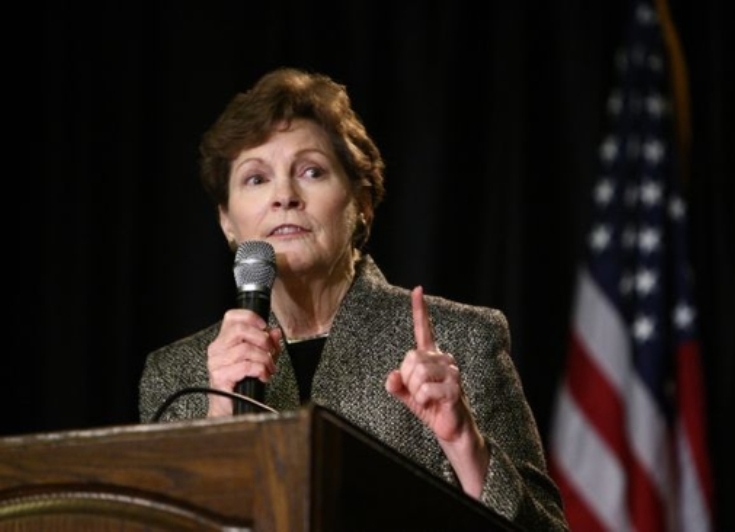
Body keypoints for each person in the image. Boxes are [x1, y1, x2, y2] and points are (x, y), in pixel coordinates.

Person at [138, 66, 568, 530]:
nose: (284, 196)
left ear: (361, 203)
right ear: (227, 220)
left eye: (311, 171)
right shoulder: (177, 375)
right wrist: (219, 419)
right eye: (256, 178)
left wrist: (465, 443)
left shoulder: (461, 341)